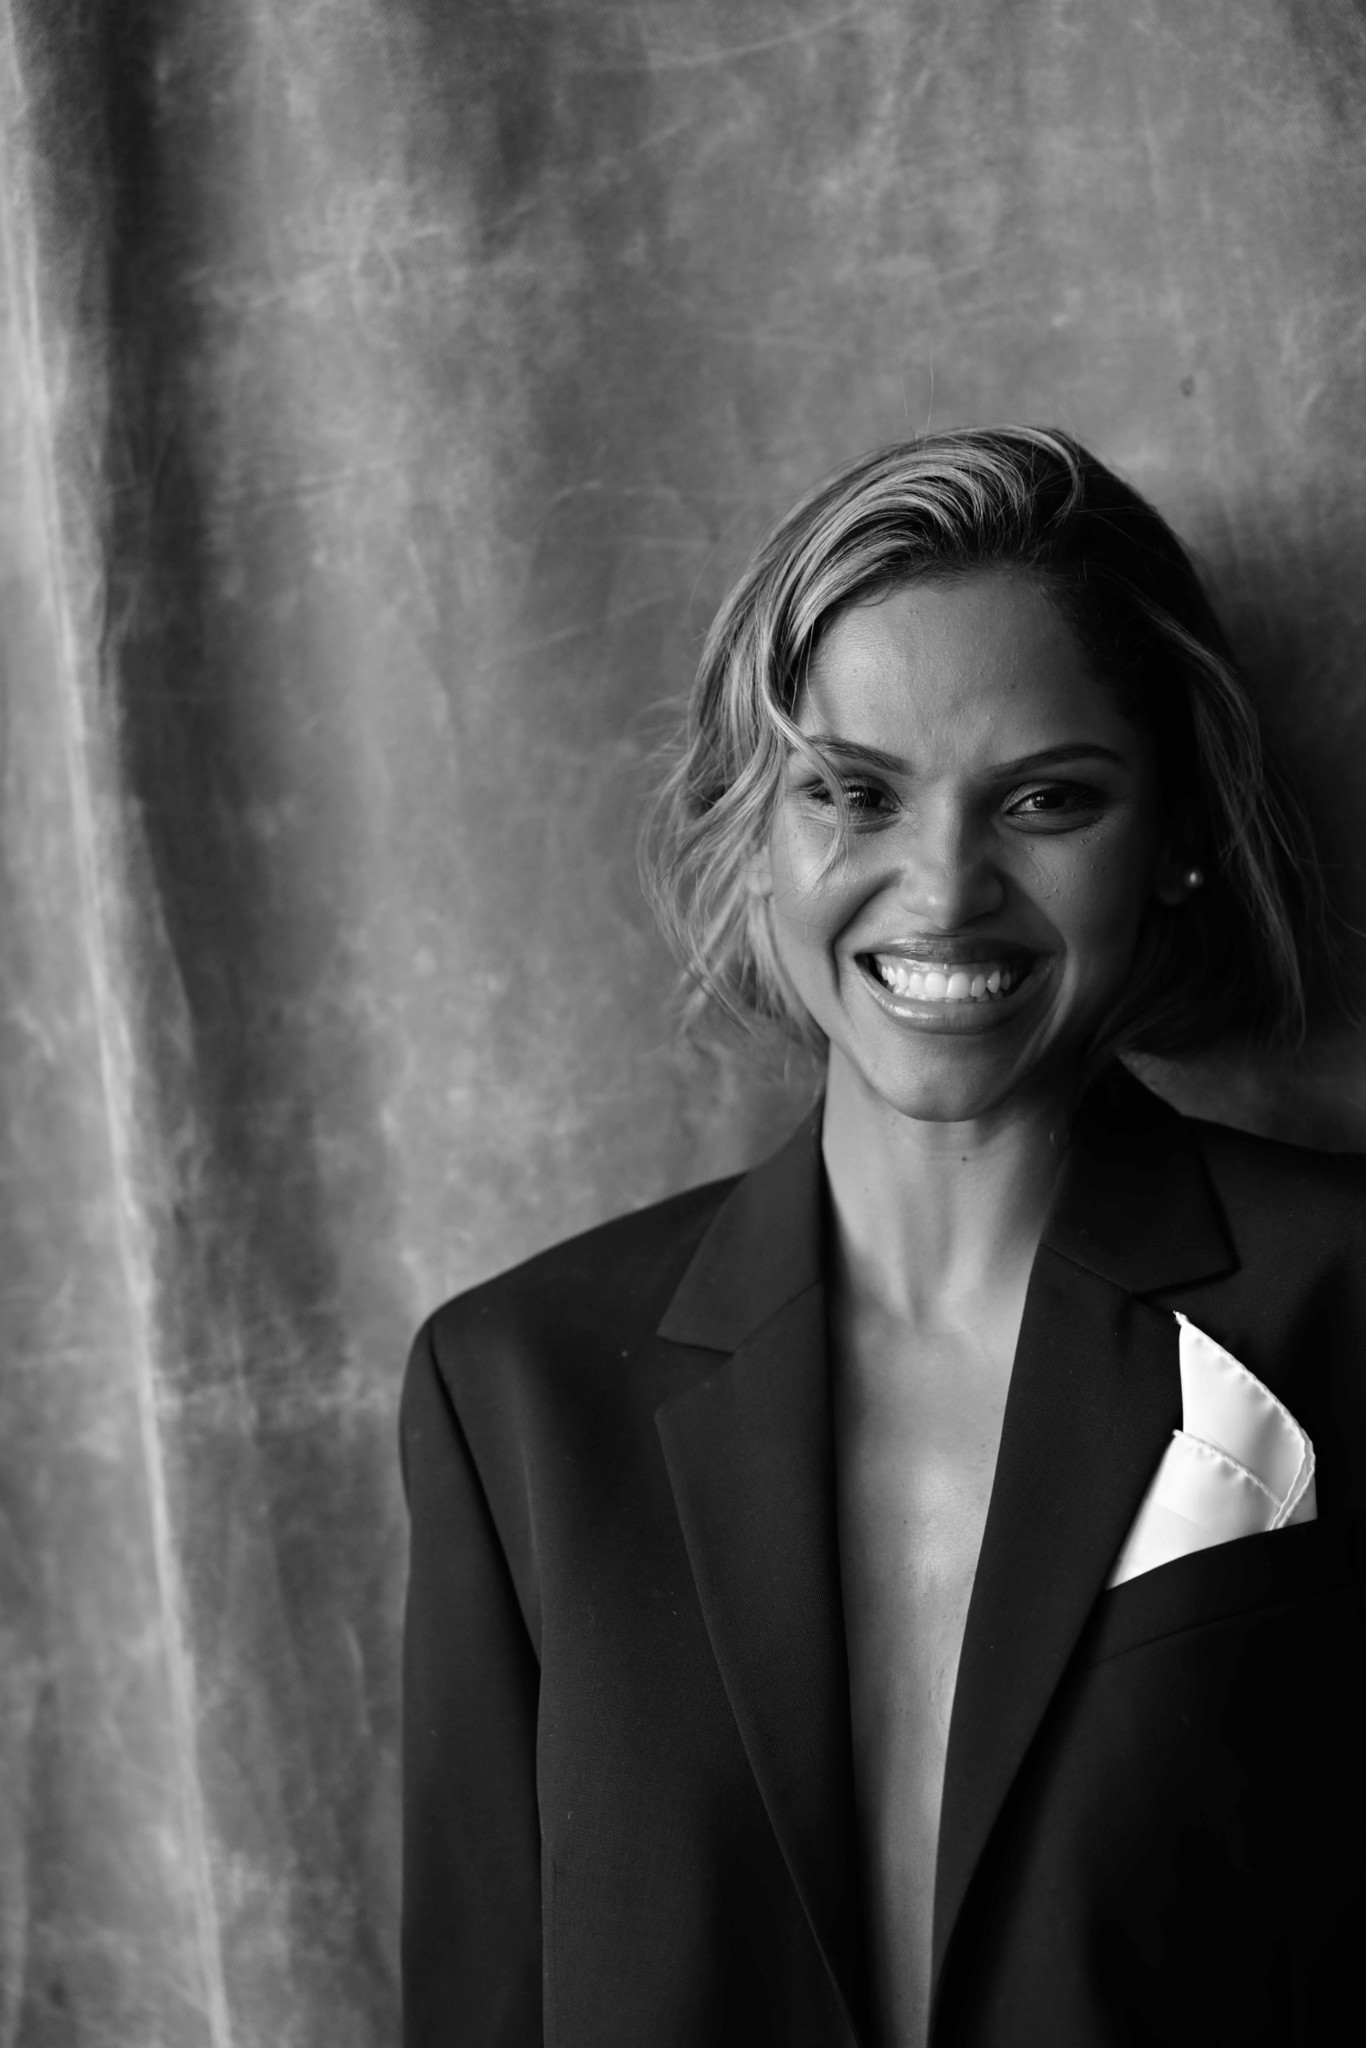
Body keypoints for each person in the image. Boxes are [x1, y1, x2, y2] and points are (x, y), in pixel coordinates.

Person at [399, 428, 1366, 2048]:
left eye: (1047, 800)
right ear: (755, 837)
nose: (941, 891)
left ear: (1176, 837)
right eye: (851, 794)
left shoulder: (1340, 1300)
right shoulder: (515, 1387)